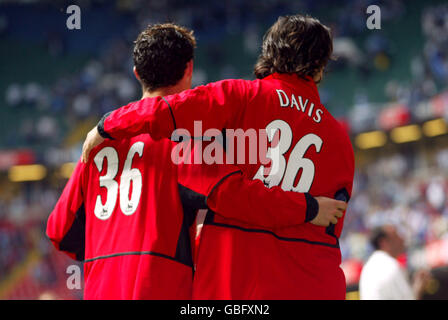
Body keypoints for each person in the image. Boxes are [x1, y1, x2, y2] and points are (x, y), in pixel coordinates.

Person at [47, 23, 346, 300]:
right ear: (189, 69)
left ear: (136, 73)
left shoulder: (96, 149)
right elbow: (231, 196)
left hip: (102, 287)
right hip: (169, 286)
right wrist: (309, 208)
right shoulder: (193, 140)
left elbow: (59, 230)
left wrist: (112, 252)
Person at [359, 224, 431, 300]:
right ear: (383, 242)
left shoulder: (367, 268)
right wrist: (418, 288)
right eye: (396, 236)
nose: (402, 239)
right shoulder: (391, 266)